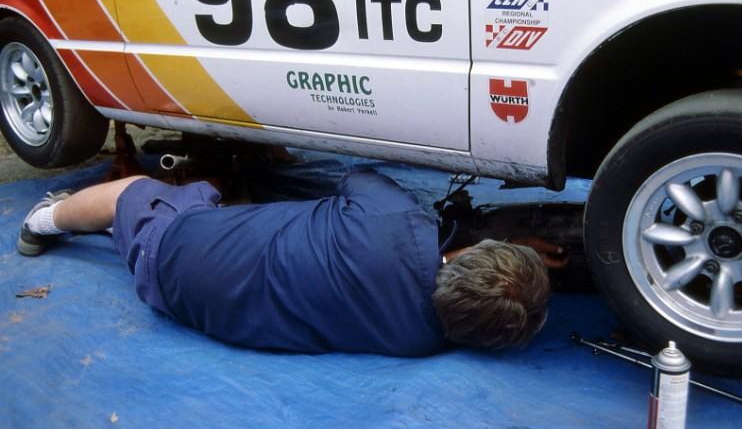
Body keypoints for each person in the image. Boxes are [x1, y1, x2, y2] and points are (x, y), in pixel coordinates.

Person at [17, 170, 566, 356]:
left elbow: (357, 179)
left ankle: (42, 220)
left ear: (467, 253)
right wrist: (511, 281)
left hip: (178, 255)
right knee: (215, 209)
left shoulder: (394, 220)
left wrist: (505, 247)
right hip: (207, 310)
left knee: (135, 194)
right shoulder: (421, 340)